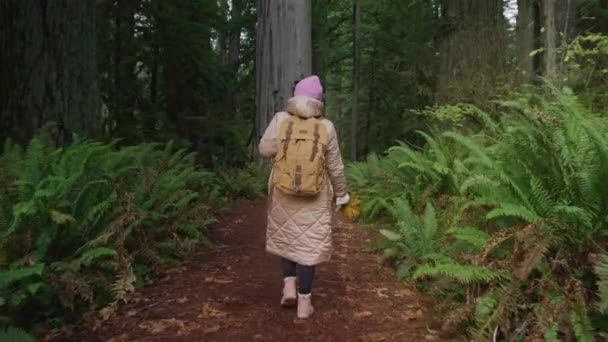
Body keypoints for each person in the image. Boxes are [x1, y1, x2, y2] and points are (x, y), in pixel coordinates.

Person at [258, 75, 350, 319]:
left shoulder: (280, 119)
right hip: (316, 196)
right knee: (308, 248)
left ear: (295, 96)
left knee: (288, 237)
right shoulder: (326, 126)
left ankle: (288, 286)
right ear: (318, 101)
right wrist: (342, 194)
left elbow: (264, 150)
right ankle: (304, 304)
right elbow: (336, 166)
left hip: (282, 190)